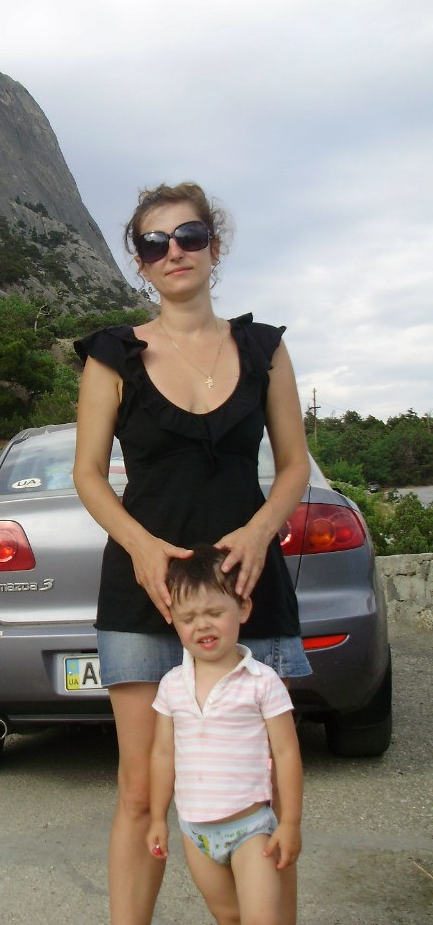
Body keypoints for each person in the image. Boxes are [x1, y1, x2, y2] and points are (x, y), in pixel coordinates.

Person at [72, 182, 312, 925]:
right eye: (154, 243)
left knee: (259, 790)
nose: (173, 251)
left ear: (215, 245)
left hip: (245, 588)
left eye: (189, 236)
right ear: (140, 262)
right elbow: (88, 474)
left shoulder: (264, 349)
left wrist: (260, 531)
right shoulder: (113, 355)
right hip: (145, 592)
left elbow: (294, 466)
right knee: (142, 789)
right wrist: (143, 548)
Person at [147, 545, 303, 925]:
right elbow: (163, 754)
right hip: (195, 832)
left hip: (251, 830)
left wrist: (290, 823)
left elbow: (286, 753)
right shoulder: (172, 685)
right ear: (173, 620)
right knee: (227, 915)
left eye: (215, 613)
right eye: (188, 618)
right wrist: (157, 818)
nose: (202, 625)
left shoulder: (262, 682)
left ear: (243, 609)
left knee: (262, 917)